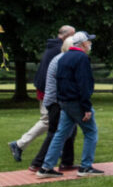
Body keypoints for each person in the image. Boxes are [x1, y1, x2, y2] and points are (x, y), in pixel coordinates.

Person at [38, 32, 103, 177]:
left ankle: (46, 168)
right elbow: (83, 84)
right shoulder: (82, 58)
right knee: (91, 132)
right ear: (82, 43)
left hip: (64, 101)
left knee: (60, 134)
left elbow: (61, 82)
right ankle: (85, 167)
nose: (90, 44)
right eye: (89, 41)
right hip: (76, 102)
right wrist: (86, 107)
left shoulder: (64, 57)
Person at [10, 25, 74, 162]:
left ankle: (60, 150)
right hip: (48, 92)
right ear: (67, 36)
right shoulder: (59, 49)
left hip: (45, 89)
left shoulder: (53, 47)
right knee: (48, 121)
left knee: (58, 121)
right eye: (73, 35)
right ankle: (19, 145)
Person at [27, 36, 77, 173]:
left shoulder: (60, 58)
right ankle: (38, 163)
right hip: (57, 102)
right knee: (55, 133)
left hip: (55, 100)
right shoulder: (63, 60)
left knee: (69, 131)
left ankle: (67, 162)